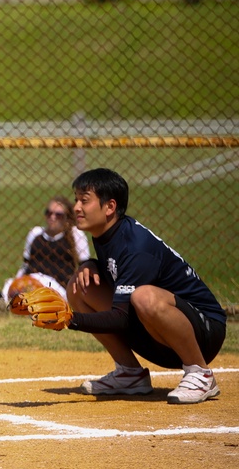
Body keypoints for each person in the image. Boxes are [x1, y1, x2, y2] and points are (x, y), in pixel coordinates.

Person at [60, 168, 226, 404]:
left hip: (204, 332)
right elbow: (115, 270)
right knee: (80, 286)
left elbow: (121, 318)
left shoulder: (135, 245)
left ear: (109, 207)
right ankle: (130, 374)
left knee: (144, 297)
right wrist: (90, 263)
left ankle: (200, 373)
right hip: (157, 331)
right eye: (76, 199)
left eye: (84, 200)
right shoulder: (107, 234)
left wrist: (69, 319)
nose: (76, 207)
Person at [1, 195, 91, 302]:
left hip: (57, 285)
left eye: (58, 215)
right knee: (9, 286)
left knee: (34, 291)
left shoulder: (75, 234)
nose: (52, 217)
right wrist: (17, 281)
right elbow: (25, 265)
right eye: (49, 213)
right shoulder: (35, 233)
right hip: (31, 279)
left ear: (67, 217)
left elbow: (85, 266)